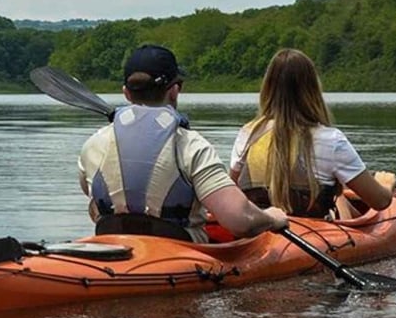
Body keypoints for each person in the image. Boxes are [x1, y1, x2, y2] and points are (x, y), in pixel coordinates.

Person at [78, 44, 288, 243]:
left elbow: (94, 203)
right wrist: (272, 218)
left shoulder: (93, 145)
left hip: (112, 248)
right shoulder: (190, 146)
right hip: (177, 251)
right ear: (175, 90)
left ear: (126, 92)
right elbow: (240, 221)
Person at [228, 48, 396, 220]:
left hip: (258, 232)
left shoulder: (248, 134)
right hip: (311, 233)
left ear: (268, 88)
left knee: (341, 198)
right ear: (313, 89)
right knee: (338, 198)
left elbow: (229, 192)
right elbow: (380, 201)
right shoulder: (331, 141)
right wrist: (386, 184)